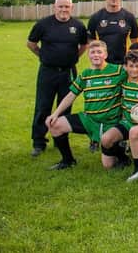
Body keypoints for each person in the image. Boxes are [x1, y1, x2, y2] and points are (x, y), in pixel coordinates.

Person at [45, 41, 128, 170]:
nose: (96, 55)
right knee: (55, 125)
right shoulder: (85, 74)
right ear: (88, 55)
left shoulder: (118, 71)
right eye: (93, 52)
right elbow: (71, 95)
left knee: (108, 166)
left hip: (110, 122)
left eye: (99, 52)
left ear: (105, 54)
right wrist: (55, 114)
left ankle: (122, 155)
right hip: (89, 119)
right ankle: (68, 161)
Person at [27, 0, 88, 157]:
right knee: (43, 106)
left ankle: (60, 136)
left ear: (71, 7)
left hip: (68, 71)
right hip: (48, 72)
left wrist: (73, 58)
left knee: (65, 106)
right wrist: (43, 56)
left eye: (66, 6)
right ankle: (39, 142)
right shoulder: (43, 24)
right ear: (55, 7)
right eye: (60, 6)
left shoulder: (78, 25)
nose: (63, 9)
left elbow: (84, 45)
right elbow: (31, 44)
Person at [99, 50, 138, 169]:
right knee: (105, 140)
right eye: (131, 66)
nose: (134, 70)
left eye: (137, 66)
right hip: (127, 123)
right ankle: (122, 153)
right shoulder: (122, 79)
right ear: (125, 67)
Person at [87, 0, 138, 65]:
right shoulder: (95, 17)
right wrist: (96, 57)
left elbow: (135, 43)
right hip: (102, 65)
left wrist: (131, 61)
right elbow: (90, 41)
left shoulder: (129, 17)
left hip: (122, 64)